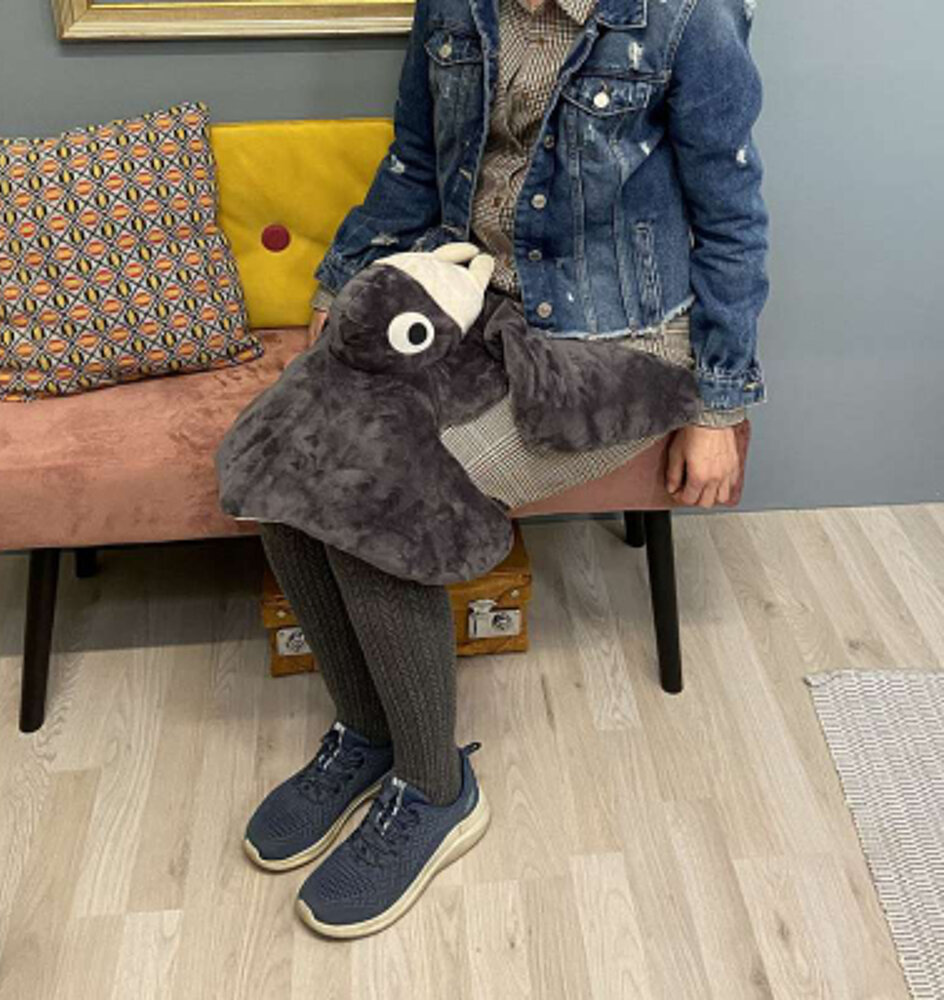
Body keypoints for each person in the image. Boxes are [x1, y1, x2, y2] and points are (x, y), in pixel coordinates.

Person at [241, 0, 769, 939]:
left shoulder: (689, 18)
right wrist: (345, 278)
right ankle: (369, 732)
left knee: (383, 502)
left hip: (618, 343)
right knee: (283, 450)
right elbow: (415, 160)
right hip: (472, 302)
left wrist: (719, 406)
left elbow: (732, 218)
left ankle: (435, 789)